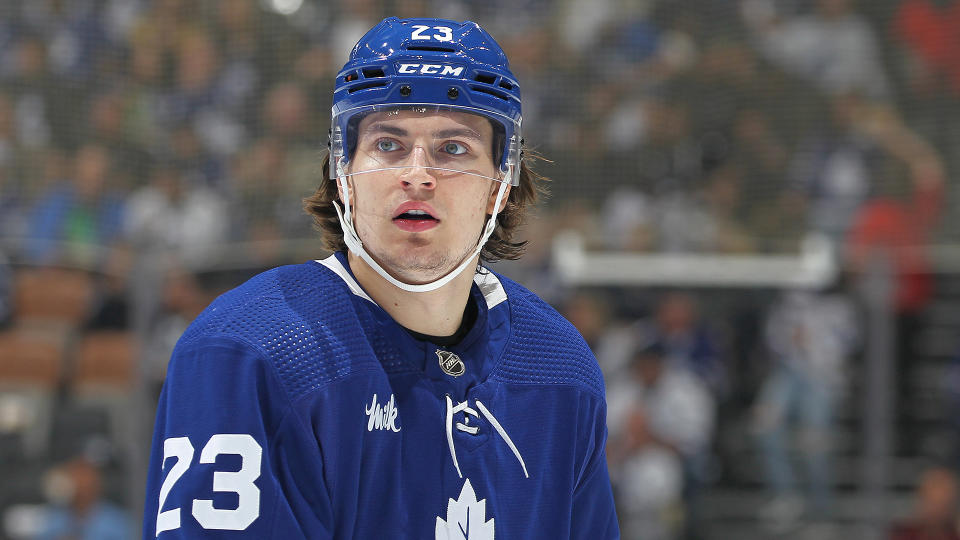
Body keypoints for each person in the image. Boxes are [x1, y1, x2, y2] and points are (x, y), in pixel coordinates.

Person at [142, 17, 619, 539]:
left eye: (453, 148)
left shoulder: (560, 368)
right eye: (389, 144)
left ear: (500, 185)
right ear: (342, 174)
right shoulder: (247, 351)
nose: (417, 173)